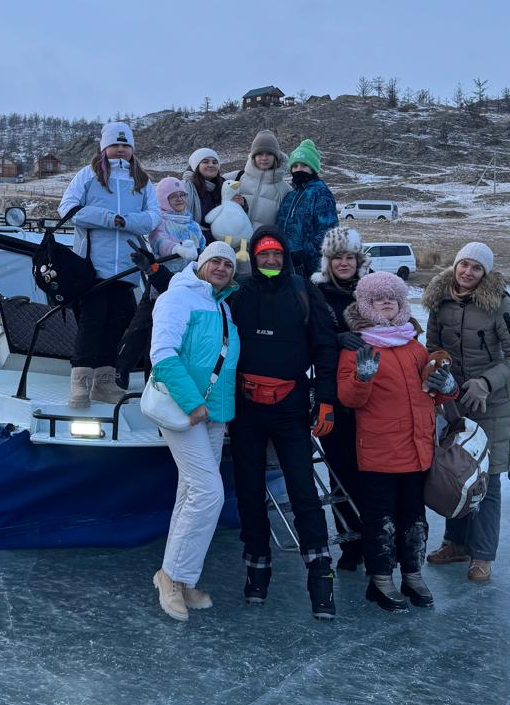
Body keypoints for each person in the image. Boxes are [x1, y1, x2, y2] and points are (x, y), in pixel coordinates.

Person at [229, 226, 339, 619]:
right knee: (248, 492)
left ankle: (320, 575)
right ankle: (257, 567)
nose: (271, 260)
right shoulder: (239, 295)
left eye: (276, 254)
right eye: (264, 254)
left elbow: (325, 349)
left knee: (303, 492)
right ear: (254, 257)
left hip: (291, 407)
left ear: (285, 256)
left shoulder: (304, 292)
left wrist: (326, 401)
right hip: (246, 410)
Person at [337, 272, 459, 612]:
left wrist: (448, 387)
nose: (387, 302)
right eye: (379, 298)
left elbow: (432, 393)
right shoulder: (358, 347)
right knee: (381, 519)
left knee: (414, 518)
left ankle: (412, 575)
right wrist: (362, 378)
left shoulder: (415, 346)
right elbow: (348, 398)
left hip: (418, 449)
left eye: (392, 296)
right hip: (380, 451)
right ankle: (380, 580)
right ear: (366, 305)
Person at [424, 242, 510, 583]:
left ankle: (482, 555)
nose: (468, 272)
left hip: (491, 404)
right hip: (453, 401)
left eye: (476, 268)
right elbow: (432, 348)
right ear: (455, 265)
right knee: (454, 472)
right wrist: (439, 373)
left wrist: (485, 382)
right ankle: (455, 543)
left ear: (485, 273)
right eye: (464, 264)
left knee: (488, 478)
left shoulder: (499, 305)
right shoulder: (439, 301)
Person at [149, 242, 241, 622]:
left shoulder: (223, 306)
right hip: (183, 410)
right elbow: (163, 355)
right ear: (200, 265)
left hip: (211, 415)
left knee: (190, 492)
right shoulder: (177, 298)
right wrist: (192, 403)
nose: (221, 268)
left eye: (228, 264)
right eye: (214, 261)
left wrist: (218, 412)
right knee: (208, 492)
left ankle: (182, 578)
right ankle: (170, 577)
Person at [59, 121, 160, 408]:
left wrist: (125, 221)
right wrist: (107, 218)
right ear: (104, 148)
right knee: (91, 323)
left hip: (126, 267)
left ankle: (104, 383)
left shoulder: (142, 181)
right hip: (92, 266)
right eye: (115, 144)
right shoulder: (88, 175)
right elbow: (68, 209)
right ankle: (80, 384)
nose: (121, 150)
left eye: (126, 145)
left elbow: (153, 217)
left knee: (118, 323)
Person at [312, 227, 371, 571]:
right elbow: (306, 338)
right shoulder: (316, 293)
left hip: (372, 395)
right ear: (328, 261)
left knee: (371, 470)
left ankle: (374, 538)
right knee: (340, 472)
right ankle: (350, 543)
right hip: (331, 394)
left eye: (350, 257)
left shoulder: (371, 291)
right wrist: (336, 341)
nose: (345, 263)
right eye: (338, 258)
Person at [277, 138, 339, 275]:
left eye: (304, 165)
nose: (298, 169)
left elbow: (329, 232)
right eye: (295, 166)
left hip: (310, 267)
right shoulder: (290, 195)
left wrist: (304, 254)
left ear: (313, 168)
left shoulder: (321, 193)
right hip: (285, 263)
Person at [234, 130, 290, 228]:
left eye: (269, 154)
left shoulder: (285, 190)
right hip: (235, 237)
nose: (264, 158)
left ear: (275, 157)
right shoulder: (236, 178)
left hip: (265, 238)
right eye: (260, 153)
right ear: (253, 156)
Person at [149, 178, 205, 272]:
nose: (179, 199)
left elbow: (203, 248)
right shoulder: (159, 223)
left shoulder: (193, 225)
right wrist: (177, 249)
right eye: (173, 196)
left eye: (182, 195)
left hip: (193, 276)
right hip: (168, 276)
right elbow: (159, 243)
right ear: (163, 199)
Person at [182, 149, 225, 240]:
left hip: (221, 239)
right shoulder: (186, 187)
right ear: (196, 166)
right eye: (205, 162)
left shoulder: (224, 185)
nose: (211, 165)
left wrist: (242, 204)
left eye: (215, 162)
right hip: (195, 239)